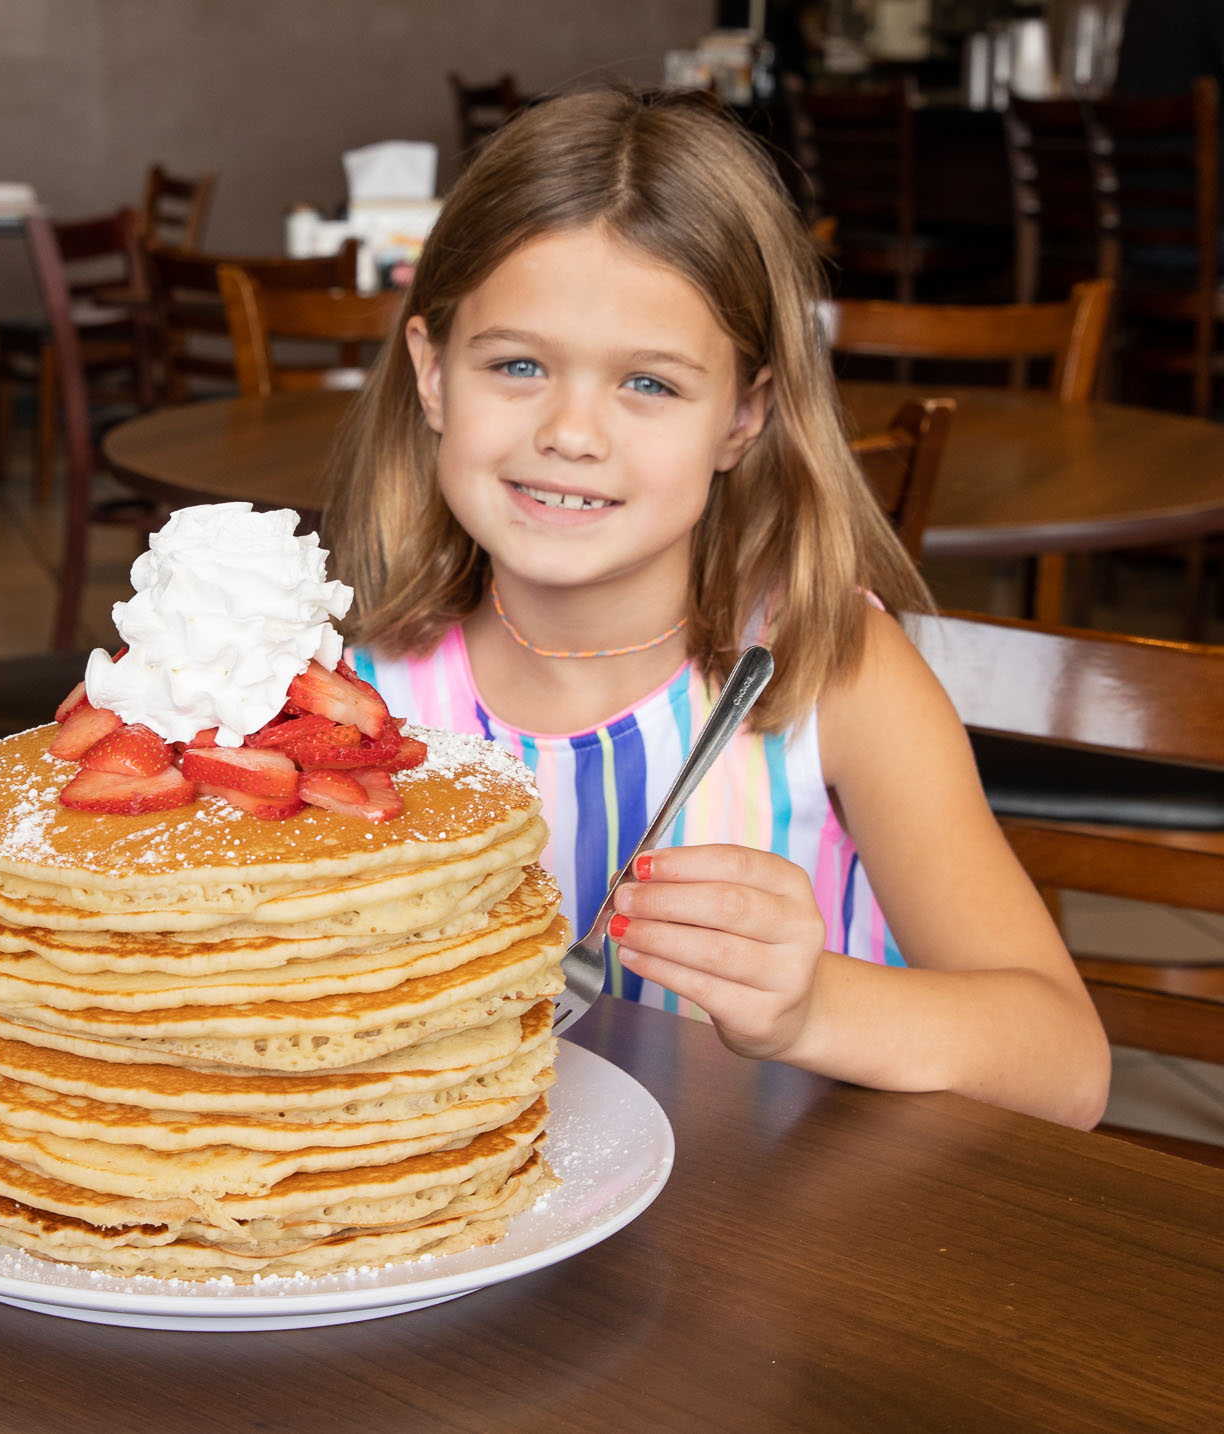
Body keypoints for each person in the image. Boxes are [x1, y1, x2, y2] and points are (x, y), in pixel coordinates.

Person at [324, 87, 1110, 1129]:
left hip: (772, 1264)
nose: (570, 432)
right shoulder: (349, 705)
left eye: (648, 384)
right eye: (516, 365)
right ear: (431, 375)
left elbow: (1066, 1069)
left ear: (742, 416)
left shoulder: (834, 672)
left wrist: (810, 1004)